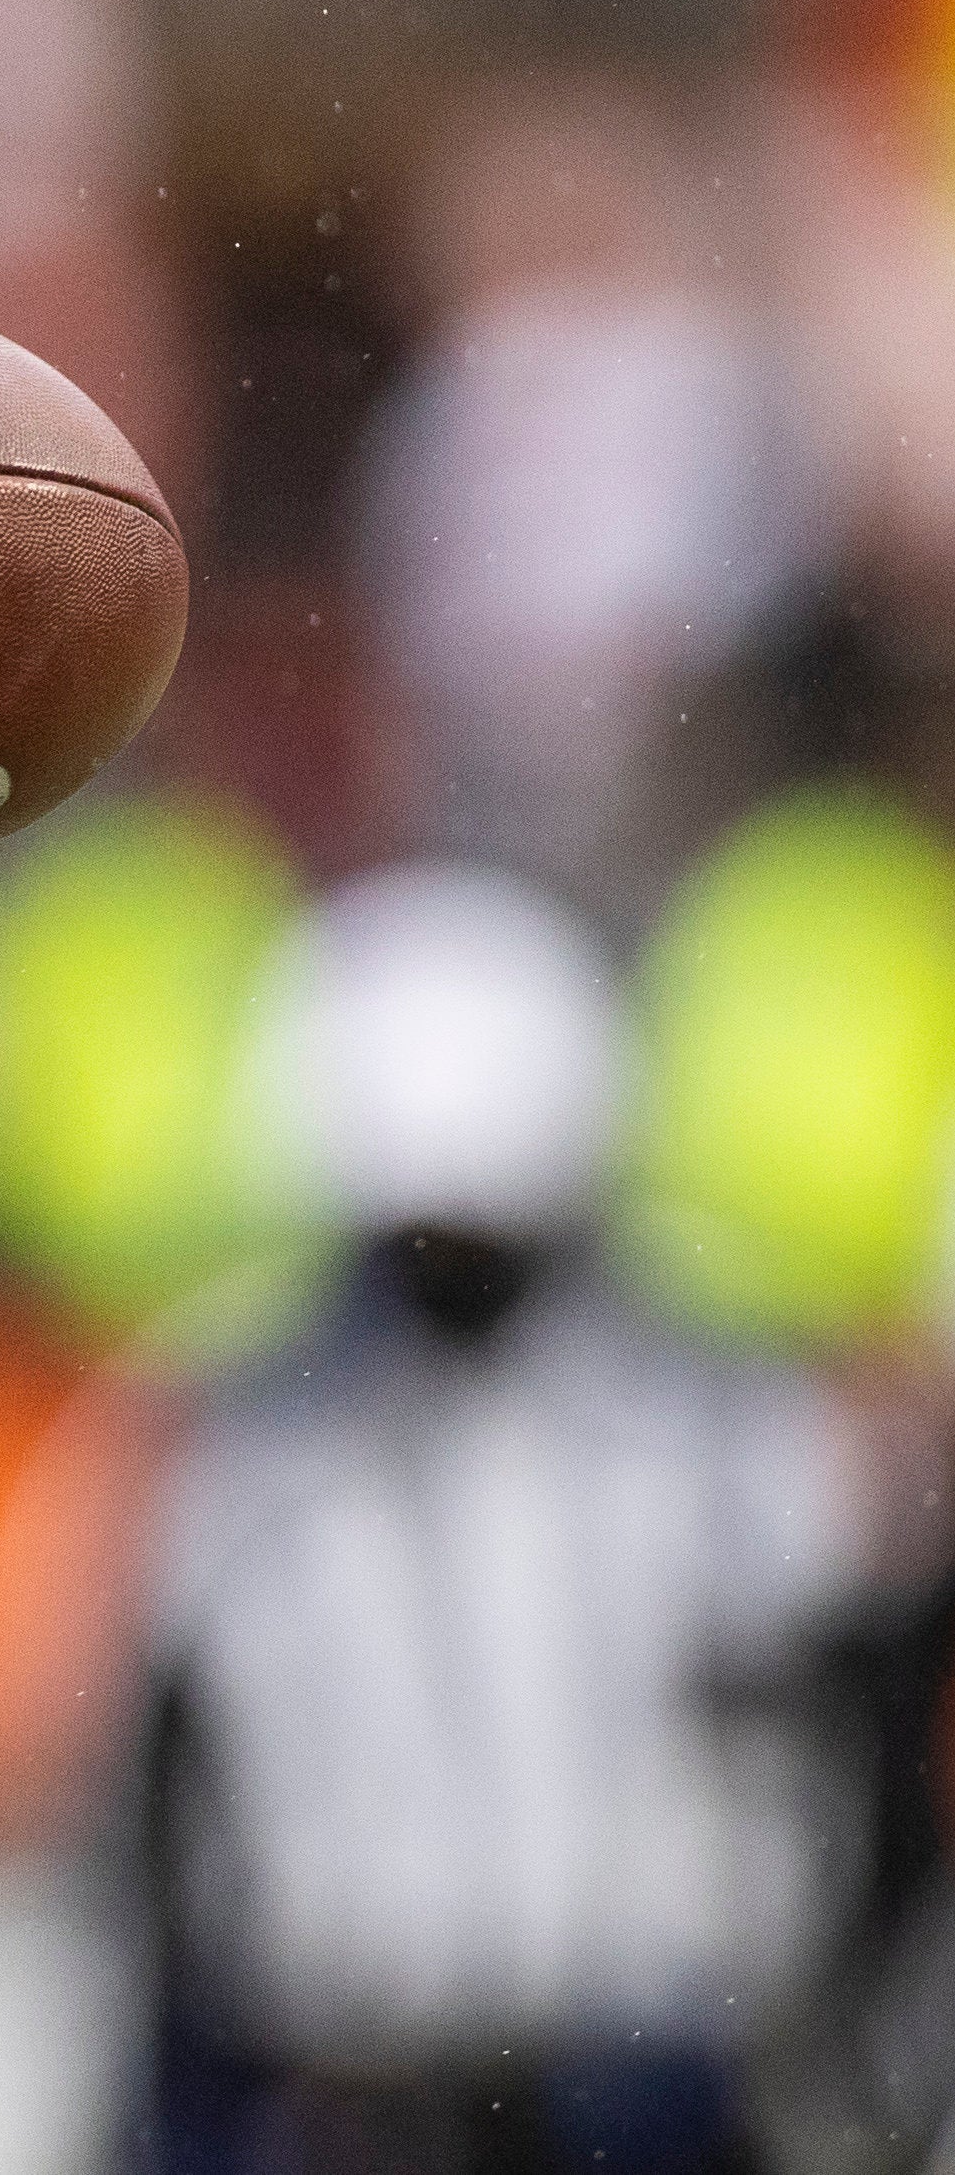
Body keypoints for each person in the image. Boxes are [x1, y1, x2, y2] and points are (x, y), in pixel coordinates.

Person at [126, 866, 866, 2175]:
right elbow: (123, 1838)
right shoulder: (225, 1450)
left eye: (481, 1255)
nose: (447, 1299)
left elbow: (850, 1780)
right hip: (347, 2106)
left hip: (663, 2104)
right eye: (415, 1250)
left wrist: (854, 2084)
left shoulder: (727, 1432)